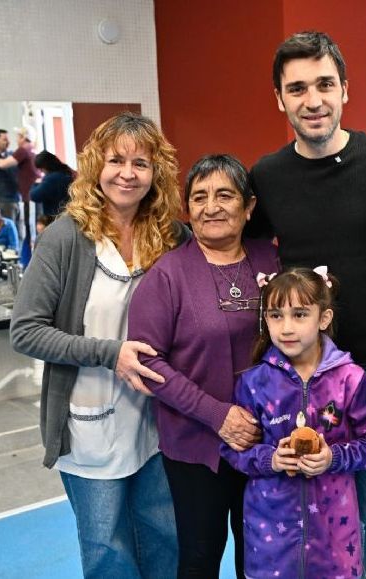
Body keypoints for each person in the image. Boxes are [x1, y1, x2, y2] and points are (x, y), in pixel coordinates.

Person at [247, 30, 366, 578]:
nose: (313, 101)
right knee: (310, 514)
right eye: (298, 88)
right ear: (279, 99)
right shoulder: (269, 176)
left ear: (345, 90)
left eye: (325, 84)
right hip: (301, 378)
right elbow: (250, 254)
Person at [10, 112, 184, 578]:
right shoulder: (66, 237)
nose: (128, 173)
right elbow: (25, 330)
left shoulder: (168, 236)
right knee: (109, 549)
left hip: (155, 420)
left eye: (141, 163)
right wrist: (111, 353)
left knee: (164, 538)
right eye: (116, 160)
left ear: (156, 173)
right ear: (95, 167)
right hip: (88, 423)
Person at [127, 154, 278, 578]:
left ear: (248, 207)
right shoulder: (168, 275)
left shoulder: (272, 261)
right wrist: (218, 415)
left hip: (267, 442)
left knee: (264, 555)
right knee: (199, 557)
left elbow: (305, 323)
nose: (211, 207)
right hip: (197, 447)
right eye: (200, 197)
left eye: (224, 195)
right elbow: (146, 360)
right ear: (188, 211)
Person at [222, 267, 366, 579]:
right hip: (269, 539)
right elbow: (233, 450)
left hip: (335, 541)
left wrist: (333, 458)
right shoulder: (254, 382)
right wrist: (269, 459)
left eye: (300, 315)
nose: (286, 327)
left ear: (323, 319)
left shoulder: (349, 379)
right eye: (276, 315)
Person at [0, 126, 41, 242]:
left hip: (19, 199)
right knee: (10, 234)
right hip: (4, 202)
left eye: (11, 138)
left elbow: (2, 164)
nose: (10, 141)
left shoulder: (17, 153)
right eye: (4, 139)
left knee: (22, 233)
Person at [30, 150, 74, 219]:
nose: (41, 171)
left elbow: (34, 196)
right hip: (69, 213)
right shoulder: (67, 172)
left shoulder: (51, 179)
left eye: (41, 169)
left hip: (55, 216)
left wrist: (35, 183)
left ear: (46, 166)